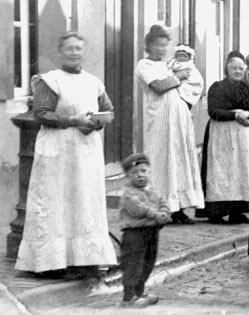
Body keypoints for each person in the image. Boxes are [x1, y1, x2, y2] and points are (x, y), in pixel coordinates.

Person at [15, 32, 118, 275]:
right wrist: (73, 120)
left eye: (78, 49)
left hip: (86, 150)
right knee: (56, 202)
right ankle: (51, 263)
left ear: (84, 52)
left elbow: (108, 109)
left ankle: (85, 260)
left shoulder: (93, 81)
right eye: (69, 49)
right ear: (60, 52)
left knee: (84, 201)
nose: (74, 53)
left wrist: (97, 122)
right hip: (58, 149)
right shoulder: (51, 80)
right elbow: (41, 114)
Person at [135, 24, 204, 224]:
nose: (162, 49)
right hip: (160, 121)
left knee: (179, 160)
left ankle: (179, 208)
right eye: (157, 45)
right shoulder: (144, 65)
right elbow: (158, 86)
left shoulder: (168, 65)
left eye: (165, 46)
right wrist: (177, 78)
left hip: (178, 120)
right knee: (161, 160)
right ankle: (162, 207)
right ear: (149, 46)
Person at [197, 51, 249, 224]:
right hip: (221, 135)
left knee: (241, 170)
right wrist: (235, 115)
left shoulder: (245, 88)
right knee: (221, 170)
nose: (237, 71)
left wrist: (246, 113)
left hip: (243, 138)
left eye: (240, 68)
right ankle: (216, 212)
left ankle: (237, 211)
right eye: (233, 68)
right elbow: (213, 111)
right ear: (226, 69)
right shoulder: (217, 87)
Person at [118, 153, 171, 308]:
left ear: (149, 172)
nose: (139, 176)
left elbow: (163, 201)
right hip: (134, 234)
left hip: (151, 232)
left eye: (143, 171)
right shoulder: (129, 193)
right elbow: (137, 209)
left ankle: (139, 293)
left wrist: (165, 213)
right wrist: (156, 215)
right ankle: (128, 298)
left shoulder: (152, 190)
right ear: (127, 176)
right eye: (134, 173)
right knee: (133, 264)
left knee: (148, 263)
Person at [167, 44, 205, 110]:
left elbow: (194, 78)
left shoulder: (189, 65)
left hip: (187, 86)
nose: (181, 58)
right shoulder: (173, 63)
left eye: (184, 56)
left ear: (189, 57)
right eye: (179, 56)